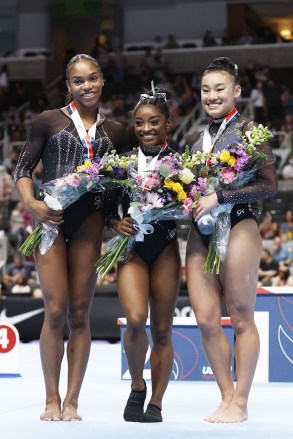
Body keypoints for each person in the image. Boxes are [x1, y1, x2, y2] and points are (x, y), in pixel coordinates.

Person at [14, 53, 128, 421]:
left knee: (79, 314)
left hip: (89, 223)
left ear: (102, 81)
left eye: (93, 78)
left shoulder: (117, 131)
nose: (87, 86)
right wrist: (32, 203)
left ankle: (72, 401)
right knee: (56, 310)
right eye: (79, 81)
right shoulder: (47, 121)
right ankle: (50, 399)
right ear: (68, 86)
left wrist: (114, 220)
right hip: (50, 219)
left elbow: (117, 189)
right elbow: (22, 168)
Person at [185, 57, 277, 423]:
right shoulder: (196, 140)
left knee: (240, 317)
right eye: (206, 90)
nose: (212, 96)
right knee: (206, 319)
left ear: (236, 91)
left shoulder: (253, 132)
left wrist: (220, 197)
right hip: (201, 231)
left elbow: (268, 186)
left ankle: (241, 401)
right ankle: (225, 396)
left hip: (239, 223)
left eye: (219, 89)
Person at [106, 86, 181, 423]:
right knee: (136, 319)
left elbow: (191, 204)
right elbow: (106, 204)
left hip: (165, 247)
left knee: (163, 331)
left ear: (168, 124)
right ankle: (137, 385)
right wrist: (114, 223)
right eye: (139, 123)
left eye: (154, 122)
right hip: (131, 249)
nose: (146, 128)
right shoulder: (122, 162)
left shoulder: (182, 162)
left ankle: (157, 403)